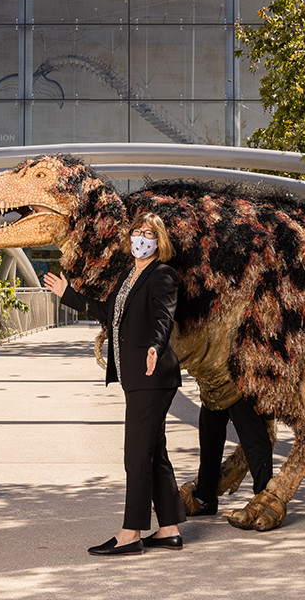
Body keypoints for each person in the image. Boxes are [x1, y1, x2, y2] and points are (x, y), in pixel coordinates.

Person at [44, 212, 185, 556]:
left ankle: (130, 533)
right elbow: (110, 313)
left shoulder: (162, 275)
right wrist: (69, 294)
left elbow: (164, 317)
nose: (141, 238)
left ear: (159, 241)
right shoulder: (129, 274)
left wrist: (155, 345)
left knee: (135, 457)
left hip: (152, 375)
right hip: (135, 377)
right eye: (137, 231)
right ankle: (168, 529)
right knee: (154, 454)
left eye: (149, 233)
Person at [190, 397, 275, 516]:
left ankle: (264, 503)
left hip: (240, 386)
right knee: (209, 438)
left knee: (254, 439)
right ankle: (205, 498)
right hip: (212, 384)